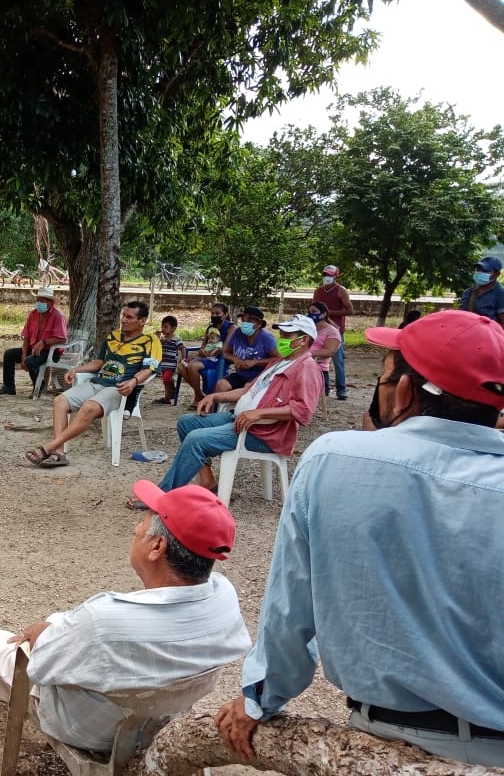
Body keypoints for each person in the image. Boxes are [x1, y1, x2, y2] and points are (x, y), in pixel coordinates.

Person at [215, 310, 504, 767]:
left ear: (404, 391)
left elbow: (292, 605)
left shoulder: (337, 457)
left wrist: (259, 699)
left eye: (386, 376)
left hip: (384, 739)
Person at [0, 482, 251, 753]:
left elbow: (42, 668)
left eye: (143, 522)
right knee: (60, 624)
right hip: (162, 716)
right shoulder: (224, 597)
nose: (136, 529)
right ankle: (15, 639)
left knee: (5, 646)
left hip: (94, 730)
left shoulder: (104, 619)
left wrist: (42, 635)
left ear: (157, 547)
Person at [140, 314, 322, 496]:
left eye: (286, 336)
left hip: (262, 432)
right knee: (187, 422)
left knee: (196, 439)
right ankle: (208, 481)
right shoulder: (278, 362)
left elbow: (303, 410)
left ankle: (162, 495)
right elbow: (247, 390)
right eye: (281, 334)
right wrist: (217, 397)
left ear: (304, 339)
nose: (280, 339)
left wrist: (259, 414)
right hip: (240, 420)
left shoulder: (307, 367)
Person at [25, 301, 156, 467]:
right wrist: (77, 370)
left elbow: (149, 370)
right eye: (123, 316)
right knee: (60, 401)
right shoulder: (113, 337)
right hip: (97, 383)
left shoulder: (150, 341)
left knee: (89, 407)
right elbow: (100, 362)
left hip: (120, 389)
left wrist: (133, 381)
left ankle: (49, 447)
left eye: (129, 317)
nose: (123, 320)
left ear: (142, 321)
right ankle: (59, 452)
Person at [0, 286, 68, 396]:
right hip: (33, 349)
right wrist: (23, 356)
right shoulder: (33, 315)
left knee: (30, 361)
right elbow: (26, 338)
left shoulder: (58, 316)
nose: (39, 303)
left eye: (42, 301)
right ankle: (8, 387)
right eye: (38, 300)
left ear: (50, 303)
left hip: (51, 351)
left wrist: (44, 342)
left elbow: (62, 339)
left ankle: (39, 385)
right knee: (9, 354)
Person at [177, 303, 234, 405]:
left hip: (220, 359)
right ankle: (199, 395)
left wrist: (208, 353)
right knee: (181, 366)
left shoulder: (231, 328)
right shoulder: (210, 328)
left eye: (217, 313)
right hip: (206, 357)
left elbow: (224, 349)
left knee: (193, 366)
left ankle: (198, 398)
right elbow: (203, 345)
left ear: (225, 314)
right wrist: (201, 352)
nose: (214, 316)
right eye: (212, 313)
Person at [311, 265, 353, 399]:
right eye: (324, 275)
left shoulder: (341, 291)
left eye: (329, 275)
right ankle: (324, 388)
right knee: (318, 359)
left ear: (335, 276)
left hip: (336, 330)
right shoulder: (318, 291)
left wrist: (330, 313)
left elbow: (350, 310)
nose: (326, 278)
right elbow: (313, 307)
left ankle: (341, 389)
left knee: (337, 359)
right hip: (318, 328)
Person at [216, 307, 279, 393]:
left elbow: (279, 359)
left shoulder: (267, 338)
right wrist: (235, 359)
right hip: (241, 374)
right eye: (243, 320)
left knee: (246, 390)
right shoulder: (238, 332)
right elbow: (226, 353)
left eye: (249, 321)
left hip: (260, 376)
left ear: (259, 324)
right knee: (221, 385)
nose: (245, 323)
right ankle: (218, 406)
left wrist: (255, 362)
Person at [457, 255, 504, 328]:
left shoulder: (500, 293)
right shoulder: (468, 292)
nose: (479, 273)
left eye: (485, 271)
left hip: (490, 337)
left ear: (497, 275)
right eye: (478, 270)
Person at [308, 301, 341, 398]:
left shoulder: (332, 332)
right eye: (309, 311)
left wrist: (306, 354)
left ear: (324, 314)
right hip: (303, 365)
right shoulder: (308, 329)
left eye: (314, 311)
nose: (310, 314)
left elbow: (329, 351)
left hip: (318, 368)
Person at [155, 315, 186, 404]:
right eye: (162, 327)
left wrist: (183, 358)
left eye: (165, 327)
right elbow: (157, 347)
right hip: (163, 364)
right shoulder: (162, 339)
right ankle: (167, 397)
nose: (163, 329)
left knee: (166, 379)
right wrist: (156, 338)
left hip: (171, 364)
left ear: (173, 329)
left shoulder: (176, 339)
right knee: (165, 381)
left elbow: (182, 348)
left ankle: (172, 389)